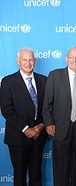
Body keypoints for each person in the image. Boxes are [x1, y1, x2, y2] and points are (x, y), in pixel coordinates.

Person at [42, 47, 76, 185]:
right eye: (71, 57)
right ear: (66, 58)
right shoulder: (54, 75)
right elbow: (47, 103)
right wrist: (48, 123)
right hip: (60, 125)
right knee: (60, 165)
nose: (74, 60)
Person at [0, 48, 48, 186]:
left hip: (39, 135)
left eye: (31, 59)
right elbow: (7, 110)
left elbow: (48, 107)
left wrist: (41, 125)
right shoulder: (8, 81)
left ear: (35, 61)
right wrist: (26, 129)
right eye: (25, 59)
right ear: (18, 61)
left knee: (36, 173)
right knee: (19, 174)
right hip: (18, 136)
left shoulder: (43, 80)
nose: (28, 63)